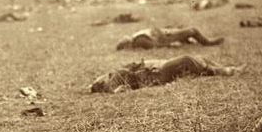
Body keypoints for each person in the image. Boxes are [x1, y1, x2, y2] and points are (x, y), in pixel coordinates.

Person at [90, 55, 244, 93]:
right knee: (186, 59)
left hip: (155, 70)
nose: (101, 76)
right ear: (101, 83)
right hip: (156, 76)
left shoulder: (114, 76)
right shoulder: (113, 80)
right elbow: (121, 89)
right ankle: (221, 71)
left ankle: (226, 68)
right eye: (98, 79)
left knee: (197, 58)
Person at [115, 27, 224, 51]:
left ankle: (191, 42)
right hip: (166, 37)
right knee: (193, 31)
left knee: (187, 31)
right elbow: (155, 45)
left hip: (165, 33)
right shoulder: (139, 39)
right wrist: (171, 45)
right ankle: (208, 43)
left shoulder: (137, 36)